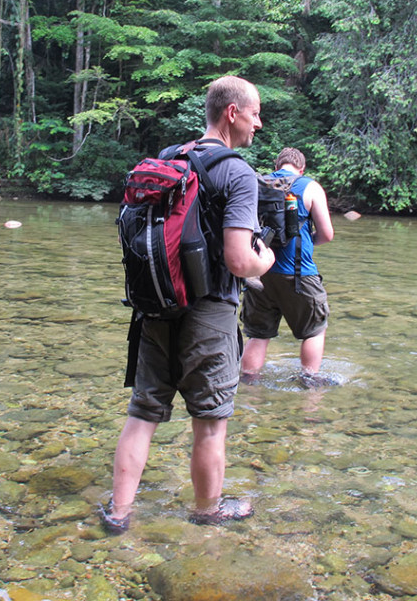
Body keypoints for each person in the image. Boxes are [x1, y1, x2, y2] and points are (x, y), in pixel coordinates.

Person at [100, 75, 276, 534]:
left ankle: (118, 514)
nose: (259, 125)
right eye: (255, 113)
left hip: (153, 310)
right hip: (209, 313)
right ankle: (206, 512)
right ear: (232, 113)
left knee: (141, 416)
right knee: (210, 424)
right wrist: (268, 257)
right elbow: (240, 260)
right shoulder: (236, 172)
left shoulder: (166, 160)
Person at [240, 147, 334, 388]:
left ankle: (249, 385)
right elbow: (327, 234)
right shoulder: (310, 187)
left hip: (259, 272)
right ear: (302, 169)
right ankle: (309, 382)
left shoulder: (258, 184)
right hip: (298, 273)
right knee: (315, 329)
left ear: (276, 165)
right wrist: (309, 241)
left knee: (258, 334)